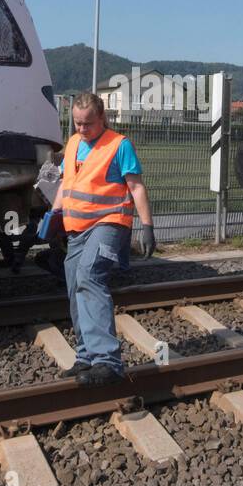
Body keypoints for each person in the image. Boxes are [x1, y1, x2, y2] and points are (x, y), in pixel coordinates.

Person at [46, 92, 154, 386]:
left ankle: (107, 361)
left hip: (110, 224)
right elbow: (66, 184)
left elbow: (137, 188)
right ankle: (87, 356)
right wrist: (53, 216)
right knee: (74, 283)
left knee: (89, 275)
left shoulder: (120, 145)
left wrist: (147, 226)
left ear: (102, 118)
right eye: (77, 124)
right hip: (77, 228)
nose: (82, 129)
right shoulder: (72, 144)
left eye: (88, 124)